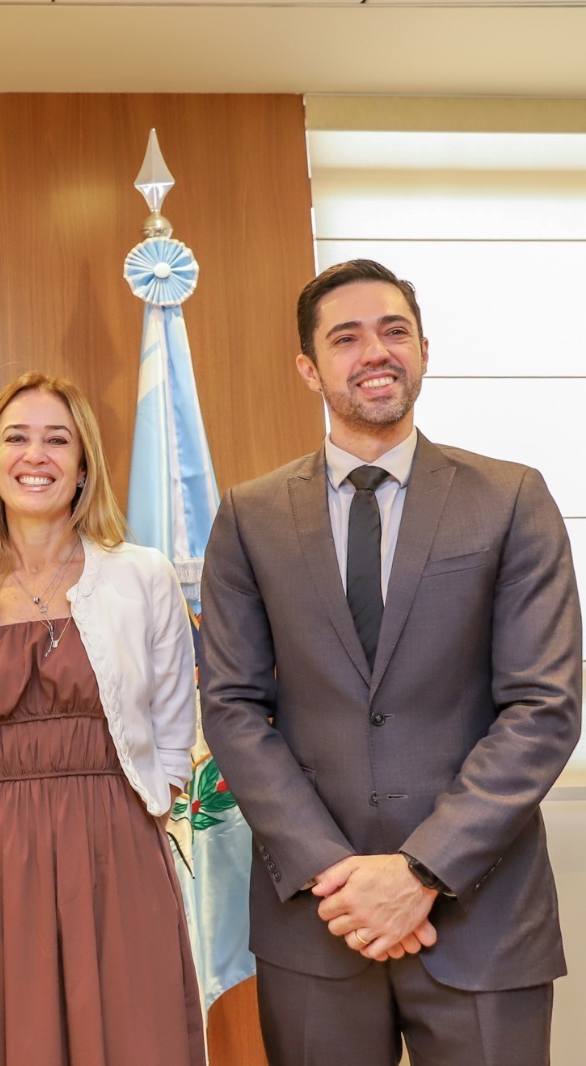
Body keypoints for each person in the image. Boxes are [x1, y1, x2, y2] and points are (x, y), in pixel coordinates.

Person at [200, 259, 582, 1065]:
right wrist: (338, 875)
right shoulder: (249, 516)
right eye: (346, 338)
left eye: (394, 331)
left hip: (483, 919)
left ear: (424, 351)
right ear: (309, 368)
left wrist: (420, 872)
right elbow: (232, 705)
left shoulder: (511, 498)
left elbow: (544, 705)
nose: (375, 351)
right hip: (318, 920)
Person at [0, 372, 206, 1065]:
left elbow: (177, 732)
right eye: (16, 439)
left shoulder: (144, 576)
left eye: (57, 440)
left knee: (133, 1036)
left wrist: (129, 828)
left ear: (83, 466)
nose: (35, 455)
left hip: (115, 847)